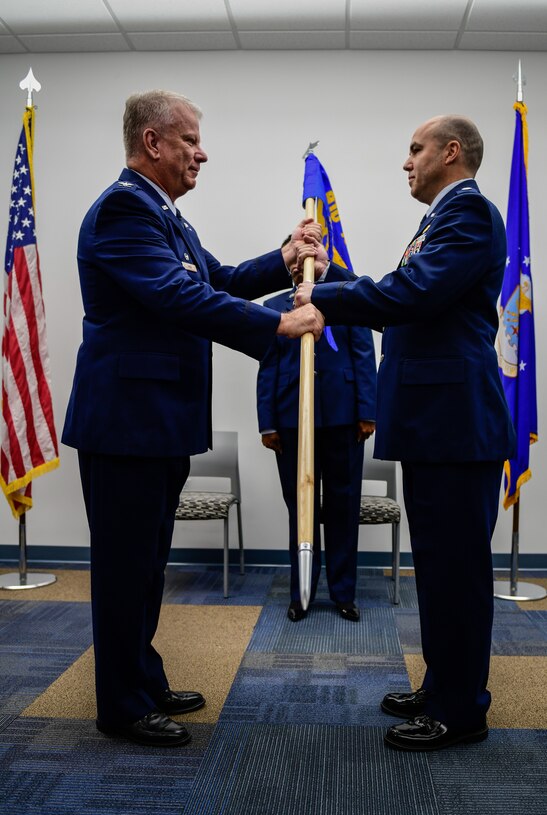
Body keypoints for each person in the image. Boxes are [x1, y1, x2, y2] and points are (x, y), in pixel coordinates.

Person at [62, 89, 326, 748]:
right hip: (125, 425)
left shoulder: (167, 218)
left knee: (147, 565)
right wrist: (279, 324)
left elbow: (219, 280)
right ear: (151, 142)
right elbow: (180, 297)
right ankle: (120, 706)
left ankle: (142, 678)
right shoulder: (124, 209)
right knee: (124, 568)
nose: (200, 153)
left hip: (158, 423)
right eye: (189, 141)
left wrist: (284, 258)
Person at [295, 115, 515, 751]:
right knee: (438, 570)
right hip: (433, 425)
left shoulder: (470, 214)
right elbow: (408, 296)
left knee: (458, 573)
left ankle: (461, 710)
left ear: (451, 152)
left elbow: (412, 294)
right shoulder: (440, 219)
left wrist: (326, 297)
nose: (406, 162)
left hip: (455, 425)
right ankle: (443, 684)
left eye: (415, 149)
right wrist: (332, 281)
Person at [257, 248, 377, 623]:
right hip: (292, 418)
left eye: (308, 260)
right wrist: (268, 422)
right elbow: (267, 366)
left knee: (343, 505)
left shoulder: (343, 296)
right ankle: (301, 594)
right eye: (295, 260)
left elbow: (362, 354)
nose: (300, 266)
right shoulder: (276, 305)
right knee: (300, 508)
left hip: (342, 417)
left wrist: (367, 411)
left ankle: (343, 593)